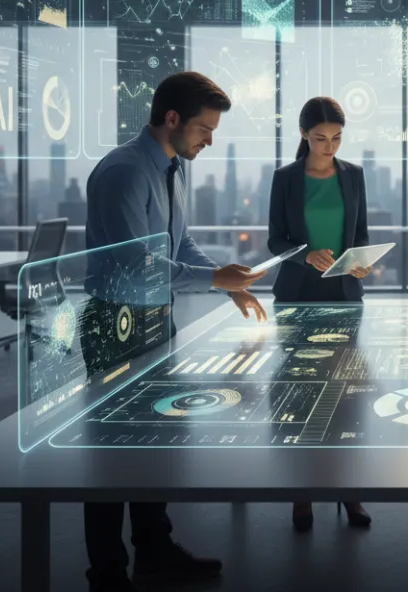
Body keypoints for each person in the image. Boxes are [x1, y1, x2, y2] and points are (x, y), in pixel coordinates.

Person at [82, 71, 268, 592]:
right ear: (171, 120)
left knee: (152, 442)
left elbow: (177, 247)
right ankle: (108, 573)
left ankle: (154, 550)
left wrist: (225, 280)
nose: (209, 139)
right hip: (115, 323)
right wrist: (213, 278)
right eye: (204, 129)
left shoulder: (171, 168)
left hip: (157, 318)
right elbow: (135, 263)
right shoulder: (124, 171)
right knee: (113, 451)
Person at [267, 96, 373, 532]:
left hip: (344, 295)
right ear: (304, 136)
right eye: (320, 139)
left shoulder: (354, 176)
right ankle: (301, 494)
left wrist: (362, 261)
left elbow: (361, 234)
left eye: (336, 139)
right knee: (299, 394)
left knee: (346, 394)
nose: (329, 147)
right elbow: (275, 242)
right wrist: (306, 254)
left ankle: (349, 494)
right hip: (297, 296)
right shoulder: (286, 178)